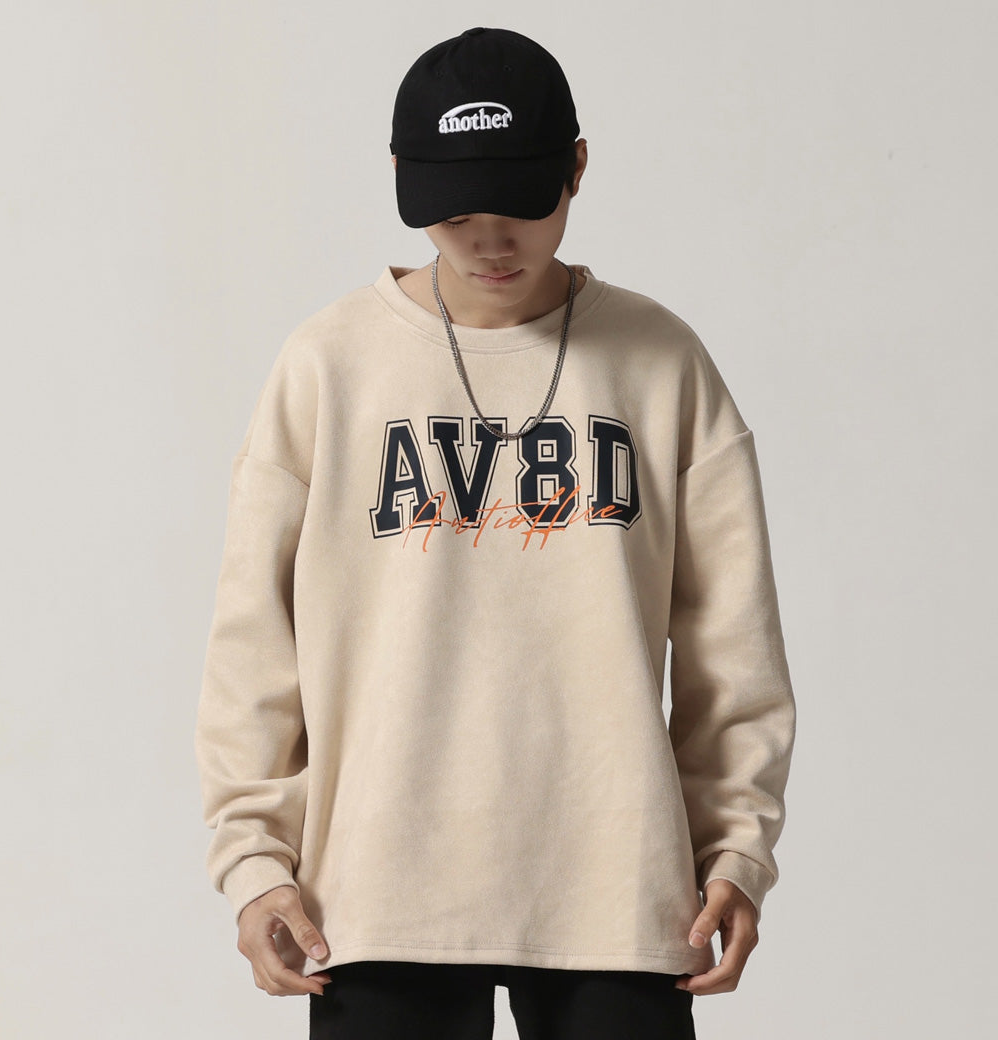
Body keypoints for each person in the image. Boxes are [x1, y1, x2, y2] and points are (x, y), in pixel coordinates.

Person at [195, 26, 797, 1040]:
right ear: (403, 180)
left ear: (576, 168)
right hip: (377, 884)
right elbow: (254, 641)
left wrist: (735, 847)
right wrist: (253, 859)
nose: (488, 242)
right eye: (453, 214)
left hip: (617, 882)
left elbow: (730, 646)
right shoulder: (329, 365)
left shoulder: (661, 363)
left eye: (520, 204)